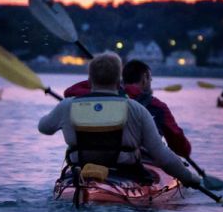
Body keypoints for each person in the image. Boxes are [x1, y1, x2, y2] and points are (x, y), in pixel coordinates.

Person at [39, 52, 201, 187]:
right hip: (126, 171)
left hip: (81, 168)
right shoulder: (137, 108)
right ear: (119, 80)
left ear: (90, 79)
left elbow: (44, 127)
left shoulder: (68, 105)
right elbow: (161, 155)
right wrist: (189, 178)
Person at [63, 59, 192, 158]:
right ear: (145, 78)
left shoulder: (105, 96)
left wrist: (109, 83)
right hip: (140, 160)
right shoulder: (158, 107)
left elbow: (70, 92)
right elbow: (181, 147)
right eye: (150, 79)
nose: (150, 82)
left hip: (103, 156)